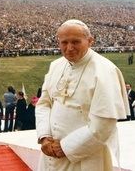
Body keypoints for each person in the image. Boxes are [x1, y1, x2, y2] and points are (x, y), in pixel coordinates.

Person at [36, 19, 129, 171]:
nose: (69, 48)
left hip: (84, 157)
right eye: (64, 42)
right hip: (50, 154)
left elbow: (104, 124)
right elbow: (44, 104)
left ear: (90, 41)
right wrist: (44, 137)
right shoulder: (56, 65)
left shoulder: (105, 71)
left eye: (75, 42)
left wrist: (66, 147)